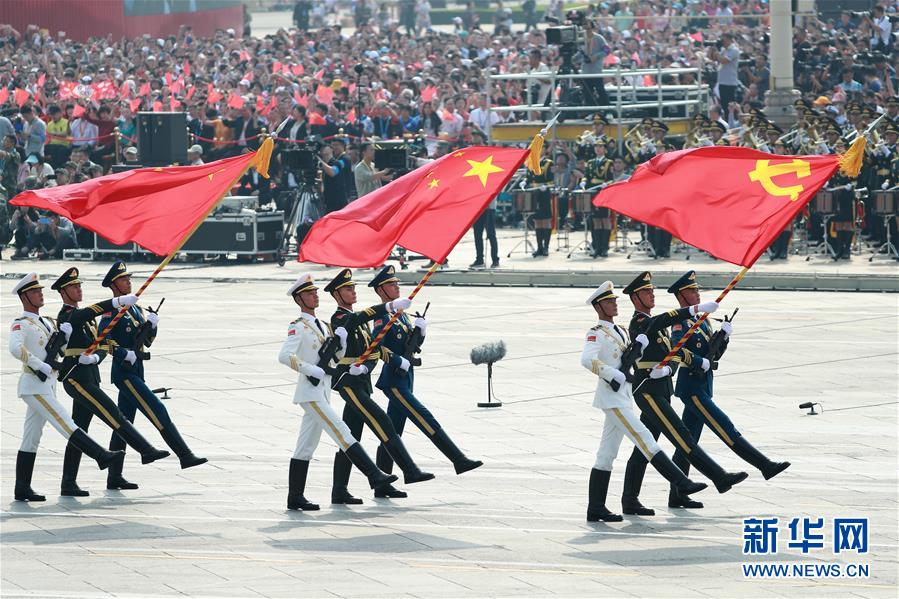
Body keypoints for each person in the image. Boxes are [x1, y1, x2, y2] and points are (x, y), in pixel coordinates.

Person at [620, 271, 748, 515]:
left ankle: (630, 499)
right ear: (635, 298)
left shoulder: (654, 323)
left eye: (651, 290)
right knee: (681, 435)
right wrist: (693, 309)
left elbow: (674, 351)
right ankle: (718, 477)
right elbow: (658, 322)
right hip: (647, 391)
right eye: (646, 291)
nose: (651, 294)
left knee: (645, 447)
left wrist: (675, 366)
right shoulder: (640, 321)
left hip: (660, 389)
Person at [580, 281, 708, 521]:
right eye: (609, 301)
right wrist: (611, 373)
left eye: (615, 300)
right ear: (599, 307)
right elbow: (587, 360)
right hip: (611, 399)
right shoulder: (595, 332)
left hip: (623, 397)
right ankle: (681, 481)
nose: (614, 303)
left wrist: (637, 348)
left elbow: (628, 359)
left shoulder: (618, 331)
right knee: (645, 439)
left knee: (606, 454)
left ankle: (595, 508)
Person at [666, 271, 790, 509]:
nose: (697, 293)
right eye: (692, 290)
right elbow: (676, 350)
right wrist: (697, 361)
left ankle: (678, 494)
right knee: (725, 425)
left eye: (697, 289)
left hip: (703, 385)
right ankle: (765, 465)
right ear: (682, 295)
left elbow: (713, 354)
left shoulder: (702, 321)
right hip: (691, 386)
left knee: (687, 442)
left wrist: (723, 337)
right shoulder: (681, 322)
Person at [278, 273, 397, 510]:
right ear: (300, 299)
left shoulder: (323, 325)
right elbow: (284, 356)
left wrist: (341, 343)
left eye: (315, 292)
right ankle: (374, 474)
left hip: (322, 391)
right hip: (309, 393)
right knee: (342, 431)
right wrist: (311, 369)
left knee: (306, 446)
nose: (315, 296)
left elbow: (336, 357)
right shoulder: (297, 327)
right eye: (310, 293)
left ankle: (295, 497)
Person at [54, 265, 171, 492]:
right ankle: (145, 450)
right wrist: (116, 303)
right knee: (112, 413)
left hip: (89, 376)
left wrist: (96, 358)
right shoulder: (67, 315)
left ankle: (68, 482)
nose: (78, 289)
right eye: (73, 287)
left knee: (80, 430)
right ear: (63, 292)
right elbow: (85, 314)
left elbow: (101, 342)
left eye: (79, 286)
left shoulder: (83, 319)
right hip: (76, 378)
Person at [8, 273, 124, 501]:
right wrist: (39, 364)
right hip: (33, 385)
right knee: (65, 422)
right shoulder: (20, 323)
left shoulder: (46, 322)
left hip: (47, 384)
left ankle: (22, 488)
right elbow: (15, 349)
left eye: (40, 291)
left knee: (31, 437)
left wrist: (63, 341)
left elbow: (57, 352)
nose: (40, 294)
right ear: (24, 297)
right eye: (34, 292)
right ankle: (100, 455)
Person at [369, 266, 482, 498]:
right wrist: (397, 359)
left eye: (397, 284)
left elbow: (412, 345)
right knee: (424, 417)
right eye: (392, 285)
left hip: (406, 378)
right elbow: (374, 347)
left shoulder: (401, 315)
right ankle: (458, 459)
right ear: (381, 290)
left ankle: (382, 484)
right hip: (393, 380)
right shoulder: (382, 316)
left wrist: (420, 331)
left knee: (392, 432)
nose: (397, 287)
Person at [326, 268, 434, 504]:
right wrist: (388, 307)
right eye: (347, 289)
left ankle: (339, 490)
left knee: (351, 435)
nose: (353, 292)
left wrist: (368, 366)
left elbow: (372, 348)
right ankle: (409, 470)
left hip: (360, 381)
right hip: (348, 383)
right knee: (382, 421)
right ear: (336, 294)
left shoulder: (358, 319)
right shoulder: (340, 318)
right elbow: (354, 322)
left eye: (354, 288)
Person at [98, 261, 207, 484]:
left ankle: (114, 476)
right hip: (124, 373)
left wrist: (152, 326)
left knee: (124, 423)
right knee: (156, 408)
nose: (128, 281)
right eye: (123, 279)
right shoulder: (112, 310)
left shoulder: (135, 308)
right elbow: (102, 341)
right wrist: (121, 353)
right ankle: (184, 455)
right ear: (114, 285)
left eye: (129, 278)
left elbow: (146, 341)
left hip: (136, 370)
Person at [526, 145, 554, 257]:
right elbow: (528, 177)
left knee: (546, 221)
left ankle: (546, 247)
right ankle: (539, 247)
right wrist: (524, 181)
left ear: (545, 149)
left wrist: (545, 186)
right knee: (537, 221)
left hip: (544, 193)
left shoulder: (548, 163)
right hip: (535, 193)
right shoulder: (532, 162)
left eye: (541, 148)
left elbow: (552, 181)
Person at [711, 32, 740, 108]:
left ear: (729, 40)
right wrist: (713, 50)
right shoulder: (724, 50)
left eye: (724, 40)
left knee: (730, 105)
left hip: (730, 82)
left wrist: (717, 54)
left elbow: (724, 61)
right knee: (724, 105)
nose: (722, 42)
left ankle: (732, 119)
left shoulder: (734, 50)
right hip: (722, 81)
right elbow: (715, 59)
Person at [470, 198, 499, 269]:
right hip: (478, 208)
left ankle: (495, 259)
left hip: (489, 208)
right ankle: (479, 259)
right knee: (477, 235)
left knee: (491, 235)